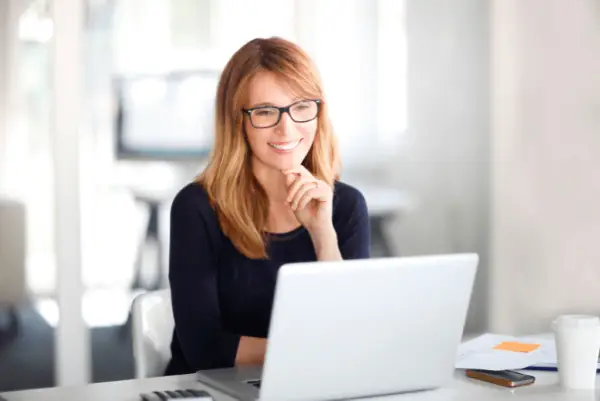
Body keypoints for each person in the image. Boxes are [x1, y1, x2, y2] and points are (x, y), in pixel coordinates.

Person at [165, 37, 371, 376]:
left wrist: (323, 235)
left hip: (308, 385)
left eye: (302, 107)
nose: (286, 128)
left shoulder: (345, 205)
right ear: (237, 121)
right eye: (264, 112)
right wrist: (306, 351)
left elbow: (351, 332)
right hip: (210, 389)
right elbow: (203, 347)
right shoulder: (197, 207)